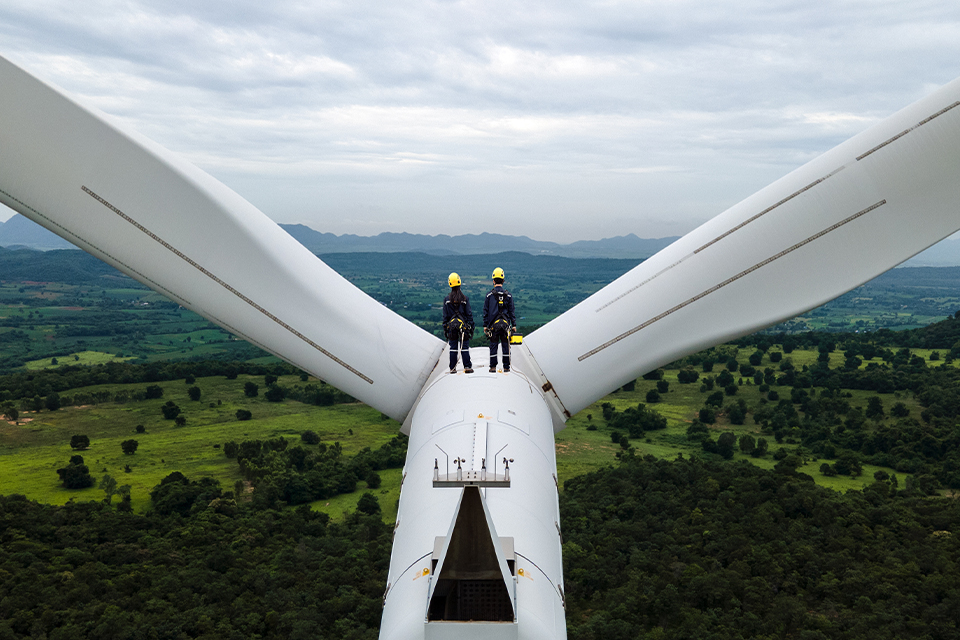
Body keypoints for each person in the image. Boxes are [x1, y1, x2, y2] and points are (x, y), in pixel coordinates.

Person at [483, 267, 516, 373]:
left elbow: (486, 311)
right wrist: (514, 324)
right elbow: (511, 311)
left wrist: (485, 325)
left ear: (493, 281)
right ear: (503, 280)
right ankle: (506, 366)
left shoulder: (489, 295)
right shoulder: (509, 295)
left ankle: (493, 367)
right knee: (506, 346)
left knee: (493, 345)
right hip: (505, 325)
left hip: (493, 326)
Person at [442, 273, 474, 374]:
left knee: (453, 347)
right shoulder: (465, 299)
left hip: (452, 328)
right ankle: (467, 366)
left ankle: (452, 368)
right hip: (463, 327)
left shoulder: (447, 300)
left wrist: (445, 328)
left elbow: (445, 316)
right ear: (460, 282)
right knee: (464, 346)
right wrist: (471, 327)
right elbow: (469, 314)